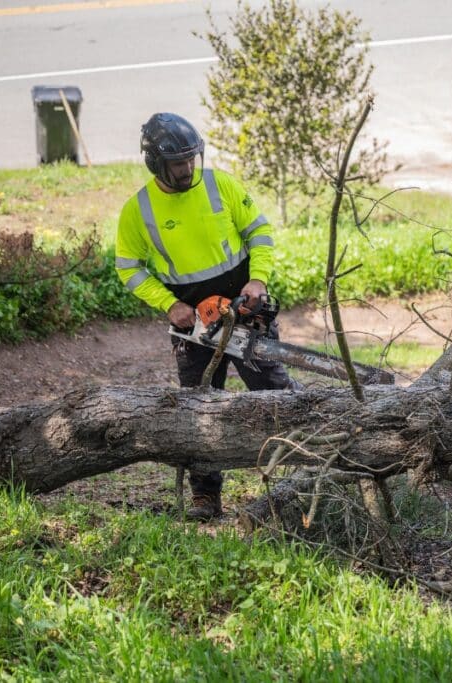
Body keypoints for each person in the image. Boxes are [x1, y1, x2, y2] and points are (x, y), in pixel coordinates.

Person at [115, 112, 297, 521]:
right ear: (155, 163)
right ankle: (205, 495)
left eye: (191, 159)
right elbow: (128, 267)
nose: (187, 168)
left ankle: (300, 476)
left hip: (242, 306)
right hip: (191, 322)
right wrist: (169, 305)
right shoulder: (138, 210)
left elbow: (259, 232)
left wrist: (258, 280)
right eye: (178, 163)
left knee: (273, 391)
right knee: (198, 406)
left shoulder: (220, 184)